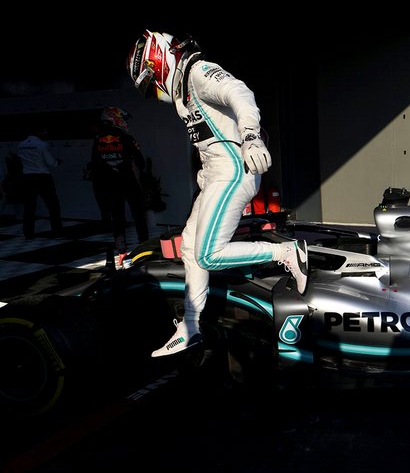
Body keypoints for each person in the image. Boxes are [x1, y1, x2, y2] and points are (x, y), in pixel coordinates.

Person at [126, 30, 308, 357]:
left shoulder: (197, 72)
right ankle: (192, 327)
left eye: (151, 84)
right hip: (215, 175)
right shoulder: (182, 94)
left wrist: (251, 136)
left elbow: (239, 92)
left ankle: (287, 253)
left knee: (209, 253)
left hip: (233, 170)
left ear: (158, 61)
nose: (155, 93)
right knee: (191, 247)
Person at [89, 107, 150, 263]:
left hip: (109, 184)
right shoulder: (125, 137)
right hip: (128, 181)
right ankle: (145, 246)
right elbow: (140, 161)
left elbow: (94, 164)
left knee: (117, 217)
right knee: (138, 214)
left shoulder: (97, 139)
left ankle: (121, 252)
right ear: (114, 118)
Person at [17, 125, 62, 239]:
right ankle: (57, 232)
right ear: (39, 132)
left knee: (29, 206)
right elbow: (51, 162)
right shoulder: (41, 144)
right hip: (43, 177)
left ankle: (28, 233)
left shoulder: (21, 145)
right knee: (53, 205)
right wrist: (58, 162)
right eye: (43, 132)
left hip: (27, 177)